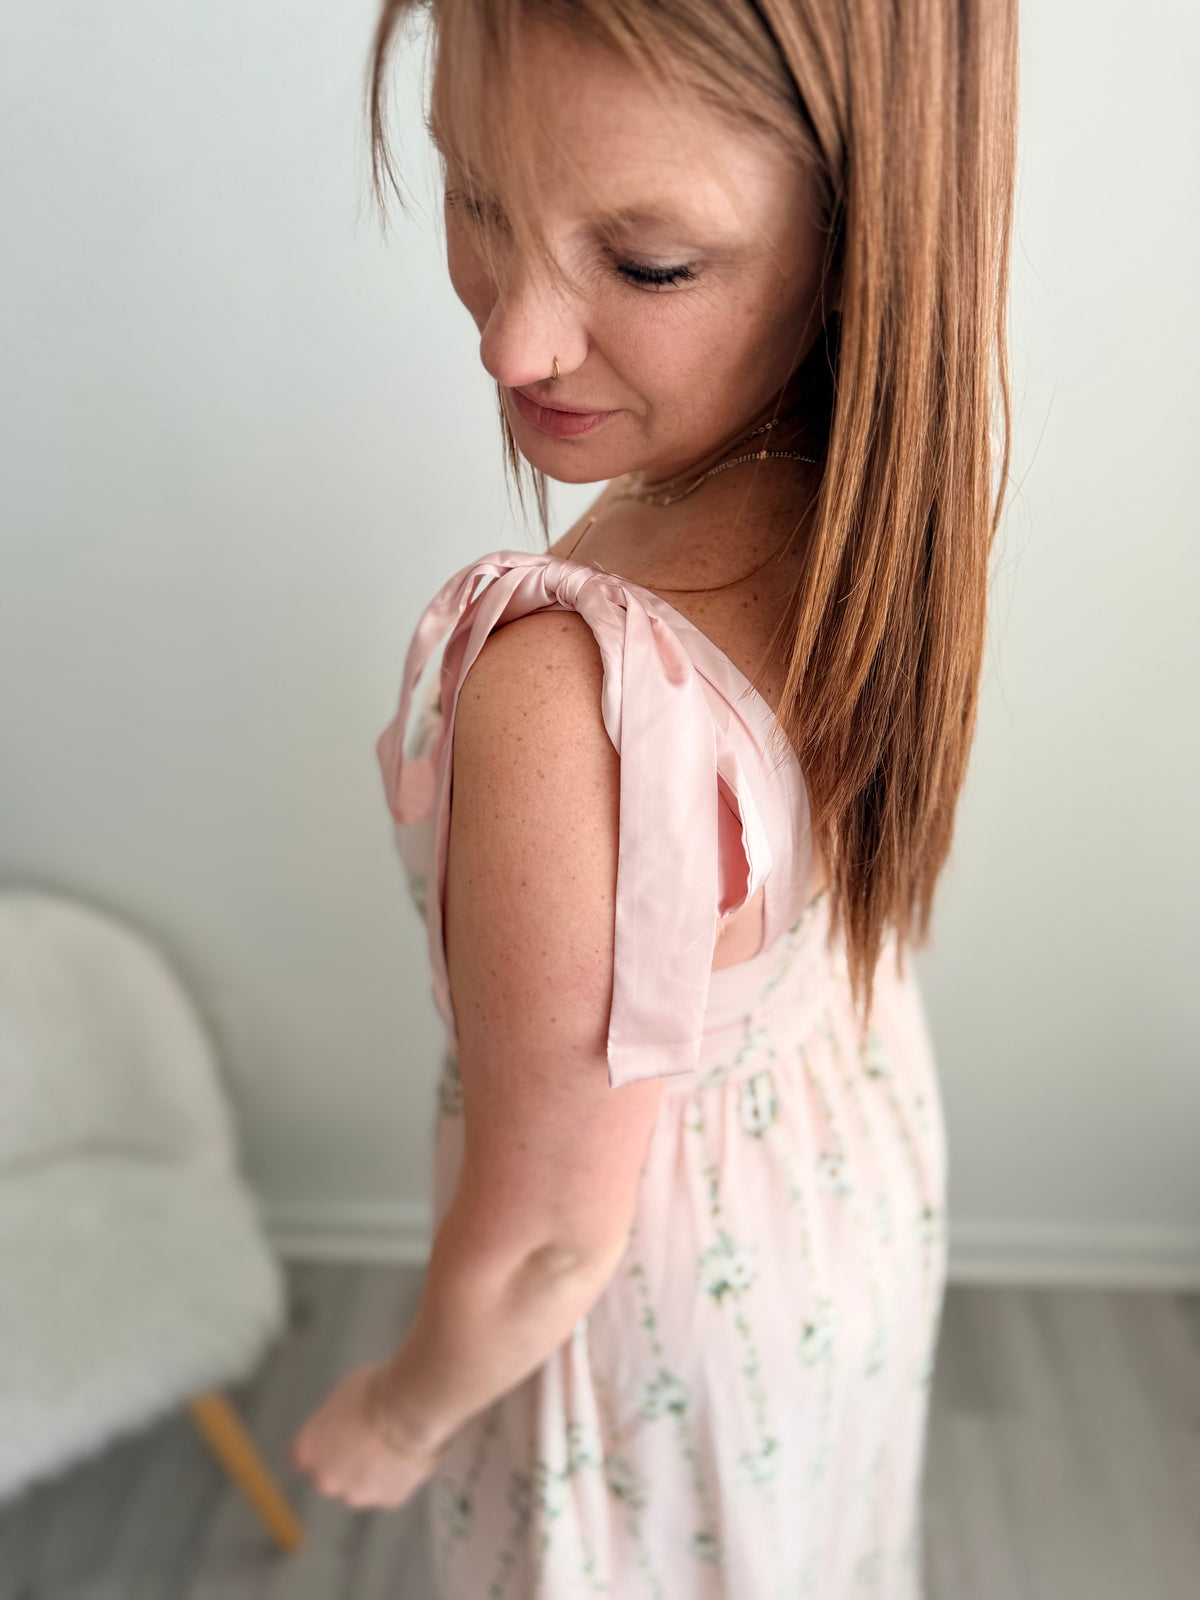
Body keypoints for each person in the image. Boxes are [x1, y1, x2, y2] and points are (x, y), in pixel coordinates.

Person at [289, 1, 1017, 1595]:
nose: (511, 339)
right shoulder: (873, 504)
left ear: (855, 235)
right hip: (835, 1225)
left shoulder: (566, 688)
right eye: (474, 197)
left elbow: (550, 1242)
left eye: (649, 265)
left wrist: (398, 1416)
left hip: (645, 1330)